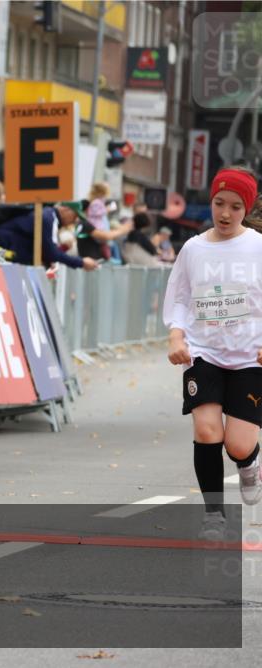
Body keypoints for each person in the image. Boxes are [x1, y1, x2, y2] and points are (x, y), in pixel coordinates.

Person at [164, 167, 262, 541]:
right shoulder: (194, 249)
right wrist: (176, 337)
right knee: (207, 430)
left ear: (246, 209)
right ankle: (214, 515)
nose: (225, 213)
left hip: (251, 356)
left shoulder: (257, 247)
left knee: (238, 444)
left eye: (235, 207)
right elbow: (180, 297)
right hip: (204, 351)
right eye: (219, 203)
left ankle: (249, 463)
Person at [0, 203, 98, 271]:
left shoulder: (49, 217)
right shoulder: (48, 218)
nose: (74, 221)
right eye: (75, 216)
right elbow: (51, 252)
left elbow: (45, 250)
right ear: (66, 209)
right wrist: (81, 262)